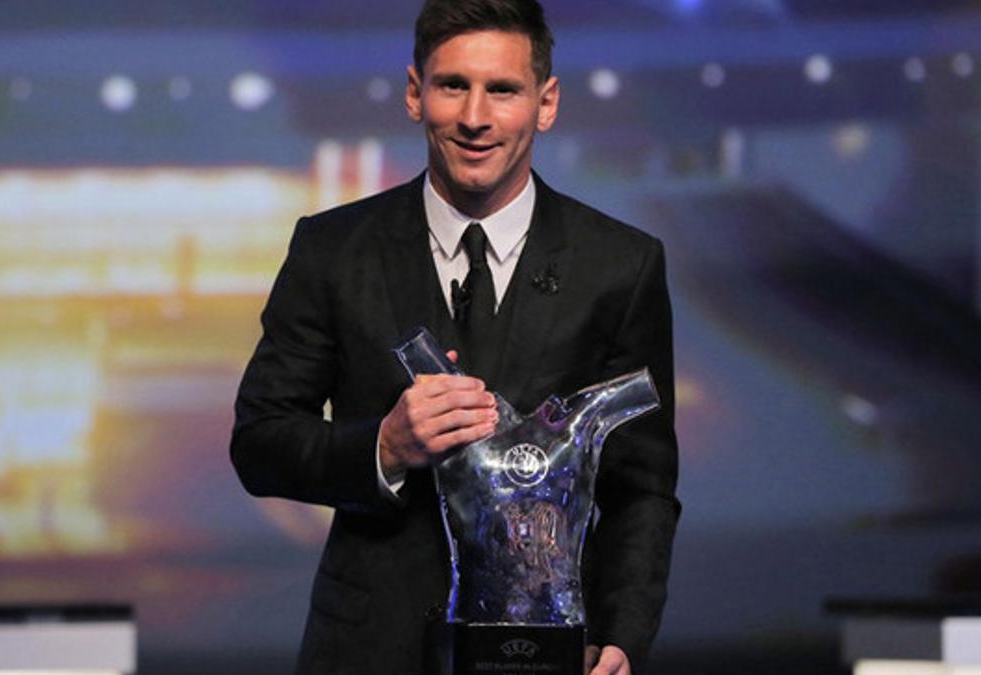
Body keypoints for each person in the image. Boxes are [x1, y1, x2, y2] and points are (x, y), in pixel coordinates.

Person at [230, 1, 679, 673]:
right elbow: (259, 441)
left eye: (502, 89)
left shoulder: (620, 266)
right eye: (452, 86)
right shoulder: (332, 250)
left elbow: (642, 485)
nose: (475, 117)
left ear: (545, 102)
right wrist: (382, 446)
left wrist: (621, 633)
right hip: (369, 651)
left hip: (546, 655)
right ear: (415, 94)